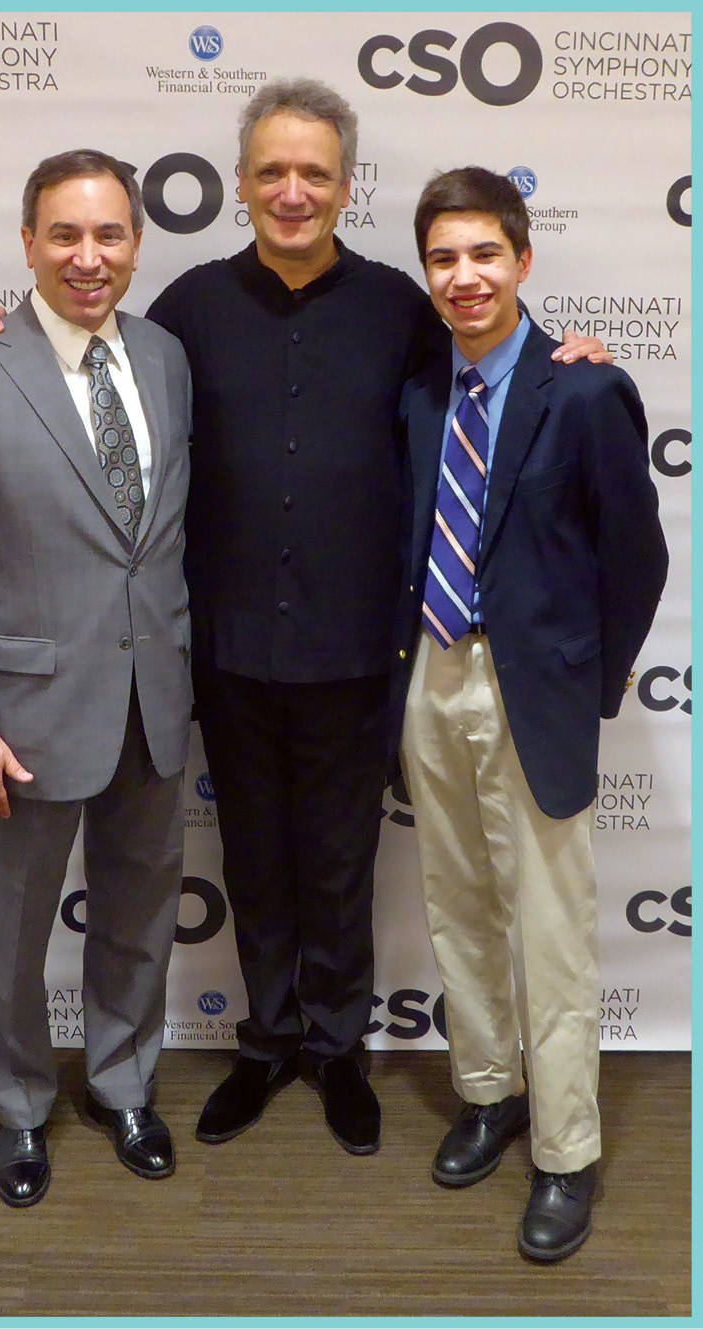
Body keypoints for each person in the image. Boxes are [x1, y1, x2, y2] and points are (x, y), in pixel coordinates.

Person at [0, 81, 606, 1158]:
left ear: (345, 185)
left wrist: (567, 352)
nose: (291, 192)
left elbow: (495, 377)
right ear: (240, 183)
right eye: (270, 172)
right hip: (224, 652)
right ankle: (268, 1044)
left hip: (363, 652)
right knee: (252, 860)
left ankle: (337, 1049)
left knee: (343, 862)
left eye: (313, 173)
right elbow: (88, 380)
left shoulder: (402, 306)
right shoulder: (186, 315)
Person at [0, 149, 193, 1207]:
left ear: (134, 244)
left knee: (138, 914)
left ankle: (122, 1084)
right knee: (9, 930)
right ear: (26, 242)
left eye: (108, 234)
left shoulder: (162, 357)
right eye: (63, 235)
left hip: (153, 703)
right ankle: (21, 1107)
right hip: (18, 718)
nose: (87, 256)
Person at [393, 166, 668, 1259]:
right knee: (456, 906)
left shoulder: (584, 390)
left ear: (520, 259)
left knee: (550, 933)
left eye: (482, 255)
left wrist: (582, 688)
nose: (463, 278)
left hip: (532, 691)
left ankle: (564, 1152)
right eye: (442, 259)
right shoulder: (420, 393)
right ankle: (486, 1091)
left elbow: (635, 563)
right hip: (428, 671)